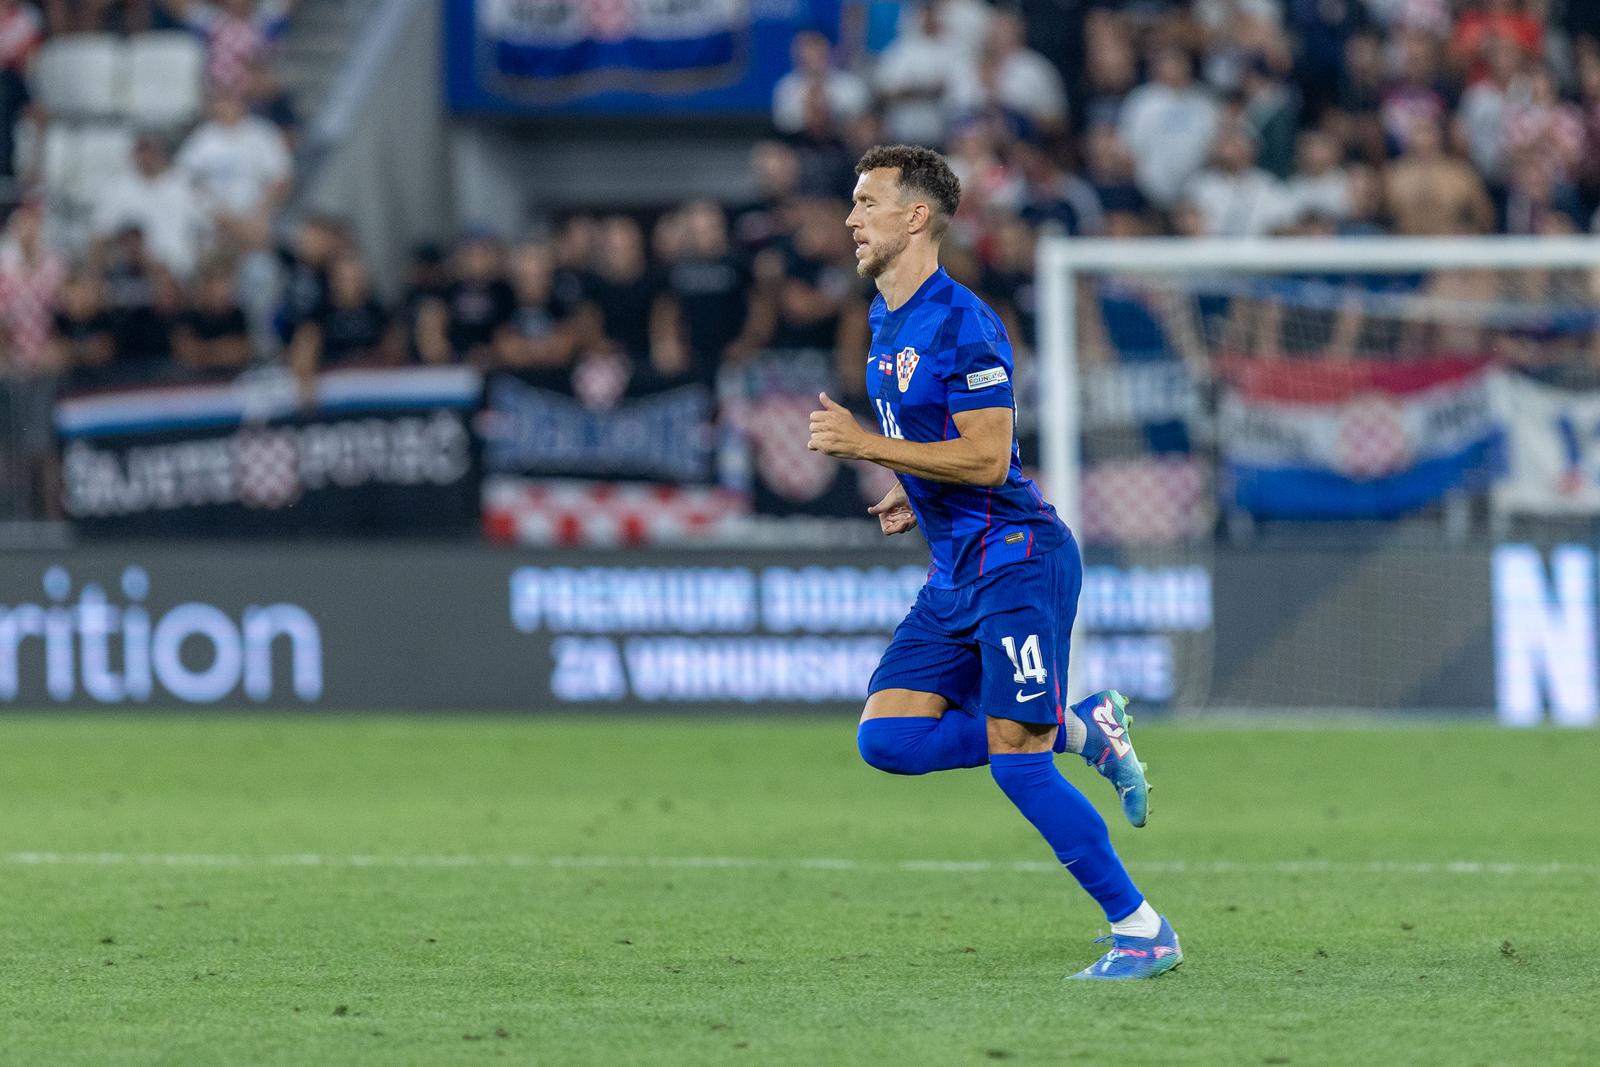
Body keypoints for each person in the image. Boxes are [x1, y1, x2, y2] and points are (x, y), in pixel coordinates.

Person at [806, 144, 1180, 981]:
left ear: (915, 216)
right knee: (889, 736)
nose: (849, 218)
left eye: (867, 203)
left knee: (1019, 760)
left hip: (1017, 559)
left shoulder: (965, 322)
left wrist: (869, 446)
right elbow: (945, 451)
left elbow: (985, 456)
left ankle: (1142, 928)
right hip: (955, 569)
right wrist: (910, 487)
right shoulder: (886, 319)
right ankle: (1085, 726)